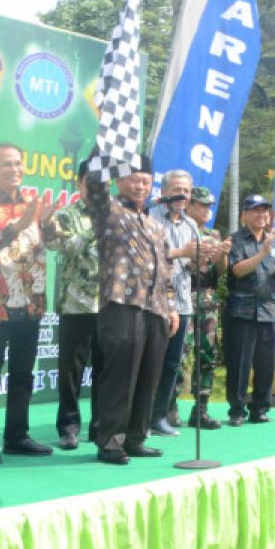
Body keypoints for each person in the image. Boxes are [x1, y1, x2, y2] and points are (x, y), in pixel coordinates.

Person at [83, 154, 186, 464]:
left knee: (148, 374)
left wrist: (171, 307)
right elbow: (94, 184)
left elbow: (165, 267)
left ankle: (136, 437)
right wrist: (107, 151)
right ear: (119, 180)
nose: (141, 185)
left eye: (146, 180)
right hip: (121, 303)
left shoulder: (155, 225)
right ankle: (110, 442)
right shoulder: (109, 210)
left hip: (155, 307)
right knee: (120, 375)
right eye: (134, 179)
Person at [0, 143, 56, 464]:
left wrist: (46, 224)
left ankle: (17, 435)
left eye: (18, 164)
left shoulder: (35, 205)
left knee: (23, 372)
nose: (14, 170)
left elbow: (54, 244)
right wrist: (14, 228)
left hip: (30, 303)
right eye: (6, 164)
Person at [46, 160, 101, 451]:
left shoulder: (116, 213)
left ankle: (100, 426)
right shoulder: (66, 215)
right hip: (76, 303)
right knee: (72, 369)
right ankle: (68, 426)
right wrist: (97, 228)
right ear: (80, 183)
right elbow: (66, 247)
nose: (96, 187)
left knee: (106, 368)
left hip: (110, 303)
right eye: (90, 181)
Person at [224, 194, 275, 427]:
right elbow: (236, 271)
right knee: (240, 363)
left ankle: (260, 408)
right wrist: (262, 253)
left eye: (265, 211)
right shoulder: (235, 241)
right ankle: (237, 410)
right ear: (244, 215)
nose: (262, 215)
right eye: (256, 210)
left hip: (268, 309)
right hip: (242, 311)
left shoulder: (274, 242)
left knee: (266, 363)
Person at [148, 170, 196, 437]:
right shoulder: (151, 218)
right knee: (150, 362)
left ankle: (159, 416)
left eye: (186, 191)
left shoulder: (190, 224)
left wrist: (203, 257)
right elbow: (148, 256)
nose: (182, 195)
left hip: (183, 301)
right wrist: (181, 252)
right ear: (164, 191)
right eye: (177, 189)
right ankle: (140, 419)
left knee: (172, 364)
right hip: (155, 302)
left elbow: (188, 263)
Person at [181, 186, 228, 430]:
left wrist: (221, 255)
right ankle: (167, 408)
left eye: (209, 205)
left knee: (208, 355)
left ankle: (201, 410)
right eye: (201, 205)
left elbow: (221, 271)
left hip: (207, 300)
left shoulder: (213, 234)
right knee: (179, 355)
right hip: (183, 297)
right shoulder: (179, 231)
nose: (206, 210)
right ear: (188, 206)